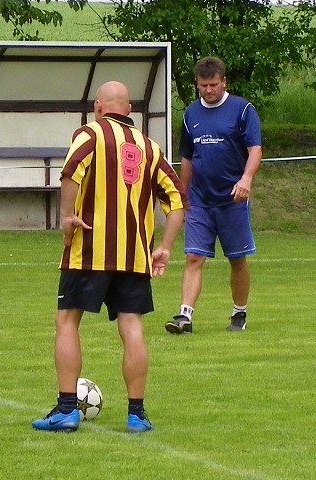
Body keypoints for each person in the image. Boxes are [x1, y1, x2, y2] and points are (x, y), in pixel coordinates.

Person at [31, 81, 187, 433]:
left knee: (67, 321)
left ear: (98, 106)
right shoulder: (149, 146)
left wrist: (67, 216)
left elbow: (70, 172)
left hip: (89, 250)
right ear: (129, 110)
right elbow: (176, 200)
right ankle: (136, 414)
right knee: (131, 327)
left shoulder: (89, 133)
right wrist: (165, 246)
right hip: (134, 256)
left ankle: (67, 408)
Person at [165, 57, 262, 335]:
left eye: (213, 85)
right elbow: (187, 158)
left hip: (232, 200)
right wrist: (182, 198)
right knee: (194, 257)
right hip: (200, 200)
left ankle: (239, 313)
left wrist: (246, 179)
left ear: (224, 82)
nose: (208, 90)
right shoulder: (191, 114)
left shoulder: (242, 110)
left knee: (237, 259)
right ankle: (184, 317)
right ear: (197, 84)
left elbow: (255, 149)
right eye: (203, 86)